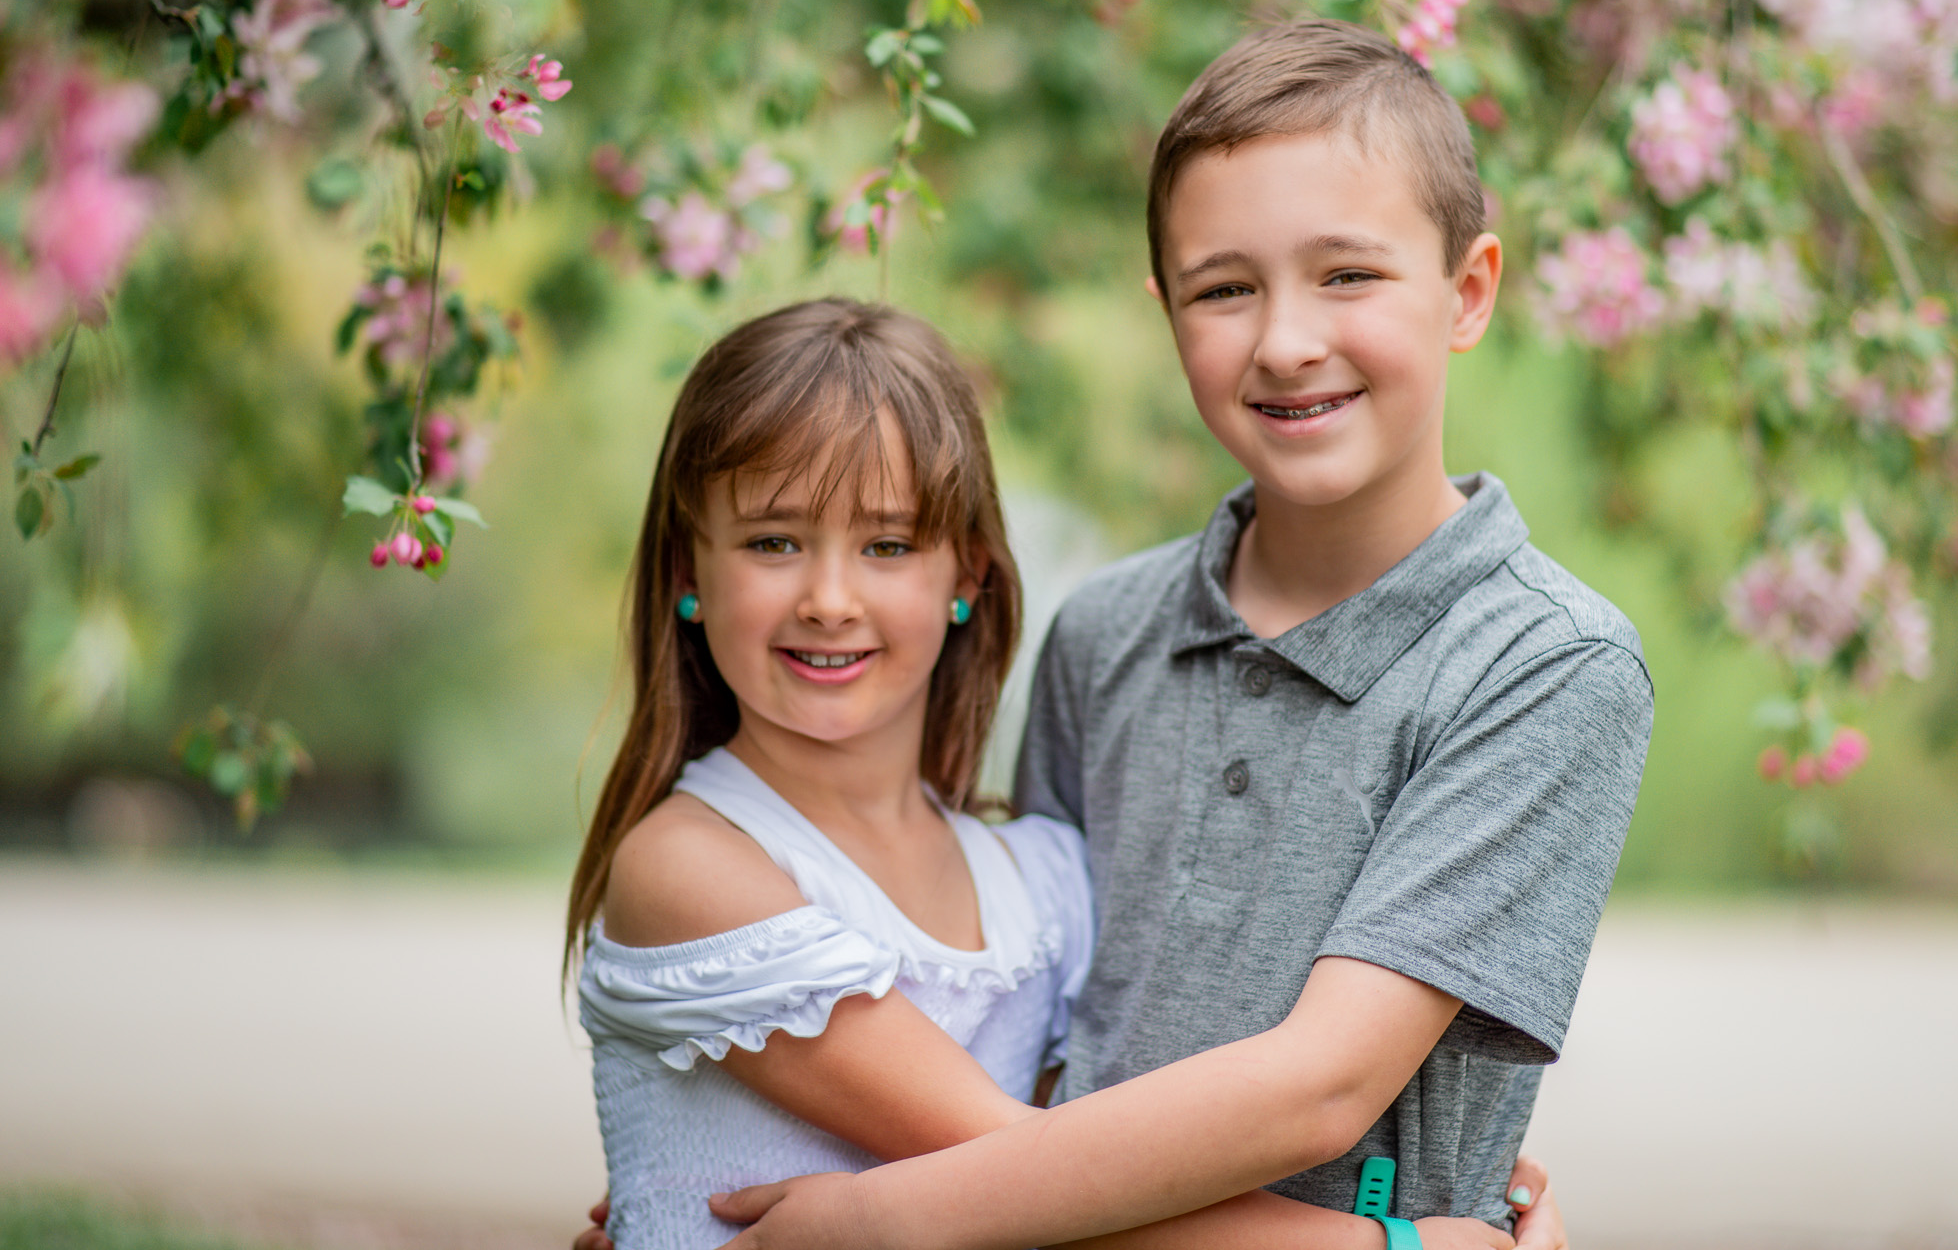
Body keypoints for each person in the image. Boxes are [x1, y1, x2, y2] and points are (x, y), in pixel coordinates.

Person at [693, 20, 1653, 1250]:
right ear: (1167, 313)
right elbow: (1024, 1028)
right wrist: (711, 1179)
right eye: (1224, 288)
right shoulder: (1104, 633)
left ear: (1465, 292)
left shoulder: (1541, 665)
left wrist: (881, 1220)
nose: (1285, 339)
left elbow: (1321, 1085)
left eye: (1347, 274)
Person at [565, 297, 1559, 1250]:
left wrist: (1477, 1182)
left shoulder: (1037, 880)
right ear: (689, 575)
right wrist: (1374, 1239)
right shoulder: (685, 866)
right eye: (773, 541)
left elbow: (1100, 1150)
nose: (829, 597)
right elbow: (1025, 1163)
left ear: (967, 577)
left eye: (886, 544)